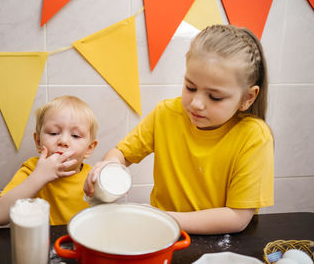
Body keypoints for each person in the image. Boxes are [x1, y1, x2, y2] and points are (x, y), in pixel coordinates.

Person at [84, 25, 274, 234]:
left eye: (215, 97)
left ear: (248, 98)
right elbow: (121, 153)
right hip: (163, 235)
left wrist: (161, 217)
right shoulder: (166, 114)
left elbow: (236, 218)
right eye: (190, 87)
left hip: (221, 244)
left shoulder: (254, 137)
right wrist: (110, 164)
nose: (196, 104)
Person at [0, 95, 98, 226]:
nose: (63, 141)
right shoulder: (32, 169)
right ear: (38, 141)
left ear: (89, 148)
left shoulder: (93, 178)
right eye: (53, 133)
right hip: (41, 243)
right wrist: (39, 176)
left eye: (75, 135)